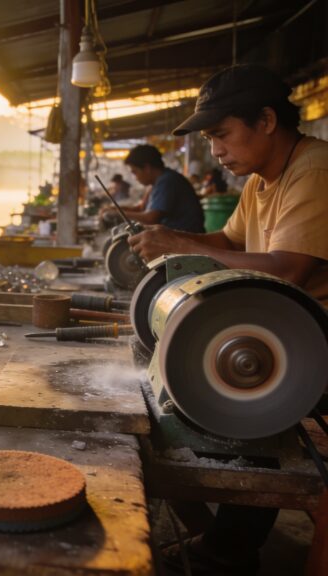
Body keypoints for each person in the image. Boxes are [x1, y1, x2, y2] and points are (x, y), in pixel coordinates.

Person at [128, 64, 328, 574]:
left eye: (221, 134)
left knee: (235, 411)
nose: (215, 150)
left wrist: (176, 241)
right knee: (195, 401)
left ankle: (224, 550)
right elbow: (228, 244)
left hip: (311, 344)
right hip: (282, 335)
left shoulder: (316, 170)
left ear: (265, 120)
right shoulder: (262, 181)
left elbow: (289, 270)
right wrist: (173, 245)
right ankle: (224, 548)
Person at [101, 144, 205, 232]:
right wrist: (114, 209)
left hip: (188, 240)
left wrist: (117, 214)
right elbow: (141, 208)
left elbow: (151, 218)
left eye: (135, 172)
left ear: (147, 168)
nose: (135, 178)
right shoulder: (155, 183)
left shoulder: (167, 181)